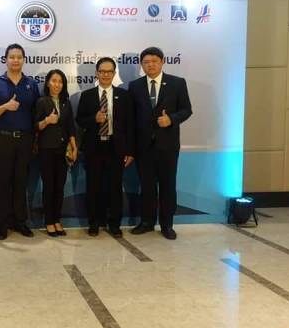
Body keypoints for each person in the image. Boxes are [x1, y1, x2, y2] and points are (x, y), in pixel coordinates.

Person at [128, 47, 192, 240]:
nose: (150, 65)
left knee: (167, 186)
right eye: (146, 62)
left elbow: (187, 110)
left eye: (154, 61)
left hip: (168, 146)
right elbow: (131, 118)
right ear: (141, 65)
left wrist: (171, 119)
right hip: (144, 147)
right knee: (146, 187)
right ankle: (147, 222)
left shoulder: (177, 83)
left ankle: (167, 225)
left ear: (163, 61)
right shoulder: (135, 86)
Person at [0, 43, 40, 240]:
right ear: (6, 59)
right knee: (4, 182)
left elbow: (36, 114)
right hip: (4, 139)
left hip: (25, 140)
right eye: (12, 57)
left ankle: (20, 222)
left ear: (23, 60)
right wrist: (5, 106)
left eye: (19, 57)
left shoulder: (31, 84)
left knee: (21, 182)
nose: (15, 60)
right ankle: (3, 224)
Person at [76, 57, 134, 237]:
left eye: (109, 72)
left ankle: (114, 224)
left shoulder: (124, 96)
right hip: (94, 148)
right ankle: (94, 223)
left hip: (115, 148)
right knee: (93, 187)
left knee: (115, 188)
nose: (106, 75)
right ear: (97, 73)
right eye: (102, 71)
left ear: (114, 73)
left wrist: (130, 151)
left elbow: (130, 125)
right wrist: (93, 119)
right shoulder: (87, 95)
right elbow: (80, 120)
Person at [35, 69, 77, 237]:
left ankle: (57, 220)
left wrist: (74, 146)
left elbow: (70, 126)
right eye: (54, 81)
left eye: (60, 81)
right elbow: (34, 126)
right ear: (48, 83)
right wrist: (46, 121)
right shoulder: (41, 101)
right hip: (46, 149)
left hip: (62, 150)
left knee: (60, 187)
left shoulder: (66, 102)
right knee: (49, 187)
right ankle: (49, 222)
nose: (57, 84)